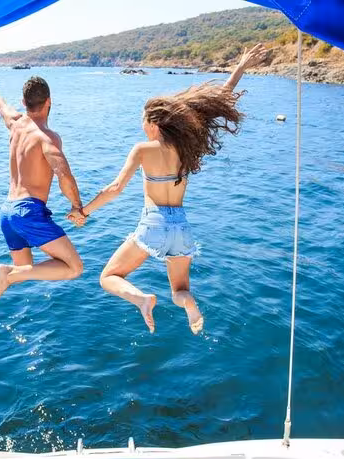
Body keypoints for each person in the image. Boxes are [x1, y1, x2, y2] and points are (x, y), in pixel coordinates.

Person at [68, 45, 268, 334]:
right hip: (182, 227)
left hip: (155, 223)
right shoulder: (188, 146)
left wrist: (83, 211)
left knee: (109, 276)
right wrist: (241, 67)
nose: (142, 127)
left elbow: (114, 189)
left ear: (154, 123)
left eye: (143, 122)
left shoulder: (142, 150)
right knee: (180, 291)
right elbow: (218, 100)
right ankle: (189, 304)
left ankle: (142, 299)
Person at [0, 73, 86, 315]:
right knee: (74, 268)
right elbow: (64, 175)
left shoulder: (15, 124)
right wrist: (77, 206)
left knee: (24, 269)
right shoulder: (47, 138)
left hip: (7, 212)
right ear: (49, 101)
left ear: (24, 102)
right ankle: (3, 274)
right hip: (28, 211)